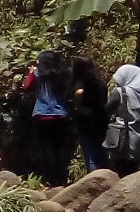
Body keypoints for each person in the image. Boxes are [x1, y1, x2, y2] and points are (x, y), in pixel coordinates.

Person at [23, 50, 75, 187]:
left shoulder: (37, 74)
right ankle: (61, 177)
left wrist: (31, 71)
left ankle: (50, 179)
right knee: (60, 147)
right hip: (60, 113)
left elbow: (27, 86)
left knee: (46, 148)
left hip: (41, 114)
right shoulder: (63, 74)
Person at [68, 56, 109, 172]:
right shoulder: (100, 81)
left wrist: (78, 107)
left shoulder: (81, 81)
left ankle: (94, 181)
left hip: (85, 121)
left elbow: (79, 93)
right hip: (100, 119)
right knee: (101, 151)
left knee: (90, 153)